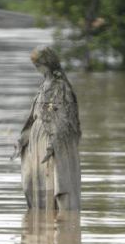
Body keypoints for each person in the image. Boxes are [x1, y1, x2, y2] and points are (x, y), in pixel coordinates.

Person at [11, 46, 81, 210]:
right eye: (34, 65)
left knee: (51, 181)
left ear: (48, 63)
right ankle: (39, 222)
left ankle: (57, 225)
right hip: (36, 144)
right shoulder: (43, 86)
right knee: (33, 181)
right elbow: (34, 115)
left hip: (51, 143)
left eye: (38, 64)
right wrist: (23, 139)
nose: (36, 68)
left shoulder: (61, 87)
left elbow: (66, 117)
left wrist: (54, 141)